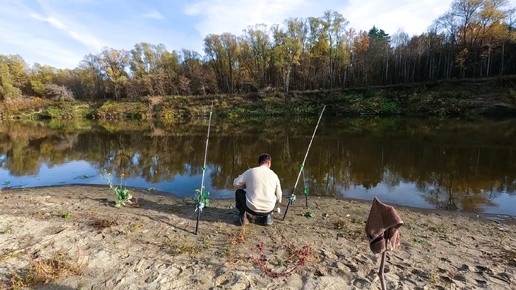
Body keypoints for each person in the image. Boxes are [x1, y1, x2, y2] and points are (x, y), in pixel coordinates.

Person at [234, 153, 282, 226]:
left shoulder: (250, 171)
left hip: (251, 208)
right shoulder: (274, 175)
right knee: (273, 195)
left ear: (259, 163)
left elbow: (236, 183)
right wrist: (277, 204)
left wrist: (246, 186)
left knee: (238, 192)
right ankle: (267, 217)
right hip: (268, 208)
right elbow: (279, 195)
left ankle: (243, 216)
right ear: (269, 163)